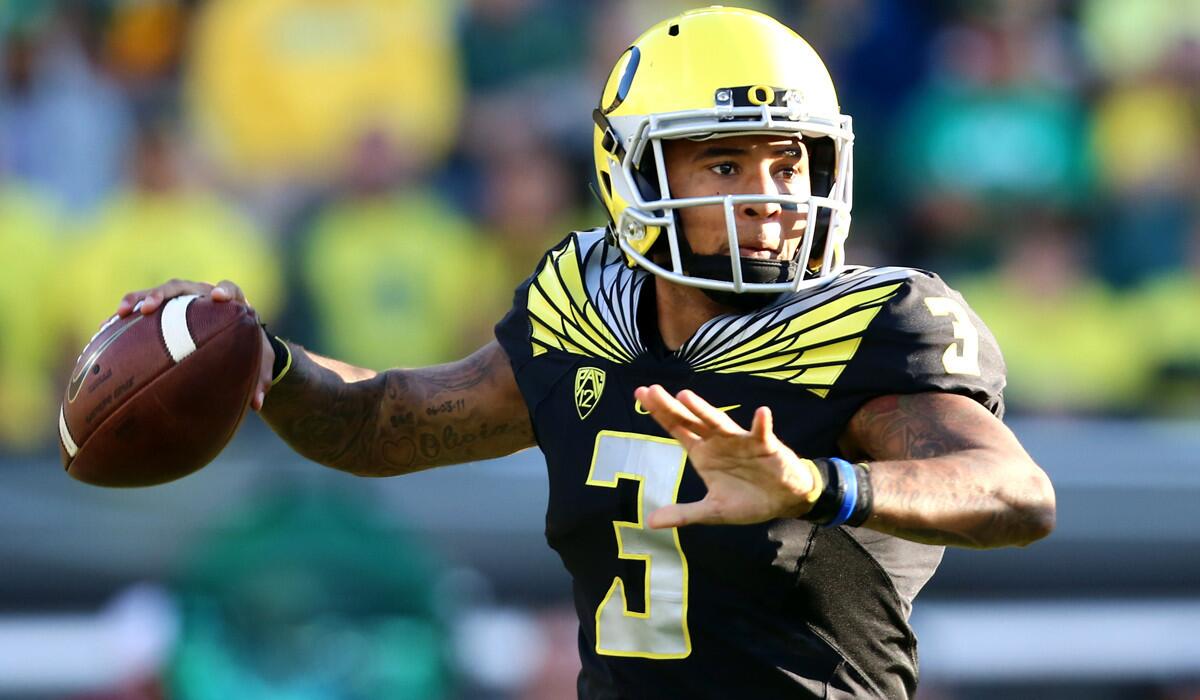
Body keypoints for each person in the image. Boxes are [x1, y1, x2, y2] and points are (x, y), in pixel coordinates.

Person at [112, 8, 1055, 698]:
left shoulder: (871, 322)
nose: (769, 194)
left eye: (789, 160)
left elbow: (1013, 493)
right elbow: (384, 423)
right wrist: (260, 362)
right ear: (634, 172)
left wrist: (823, 486)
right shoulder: (585, 307)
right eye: (724, 162)